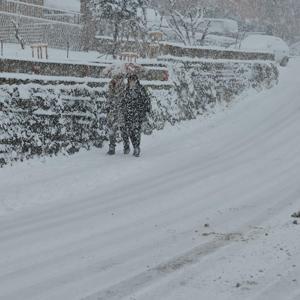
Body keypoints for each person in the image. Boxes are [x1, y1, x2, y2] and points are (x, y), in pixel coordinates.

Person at [121, 74, 151, 157]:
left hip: (138, 114)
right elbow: (123, 101)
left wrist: (146, 110)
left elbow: (146, 100)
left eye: (133, 80)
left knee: (136, 131)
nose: (132, 82)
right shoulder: (126, 89)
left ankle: (137, 147)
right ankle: (134, 145)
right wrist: (123, 109)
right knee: (130, 132)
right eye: (130, 80)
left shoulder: (140, 89)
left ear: (136, 80)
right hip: (128, 114)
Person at [106, 74, 129, 155]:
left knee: (123, 129)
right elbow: (109, 97)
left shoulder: (125, 87)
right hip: (113, 111)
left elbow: (126, 99)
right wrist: (108, 106)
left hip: (122, 111)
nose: (117, 79)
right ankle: (112, 147)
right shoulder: (111, 86)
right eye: (115, 77)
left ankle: (126, 146)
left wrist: (124, 106)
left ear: (121, 78)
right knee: (112, 130)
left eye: (119, 78)